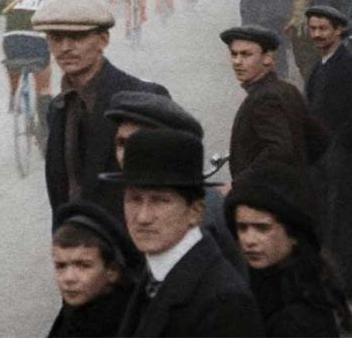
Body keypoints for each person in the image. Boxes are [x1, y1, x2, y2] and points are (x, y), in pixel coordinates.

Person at [100, 129, 264, 337]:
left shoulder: (224, 302)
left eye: (160, 200)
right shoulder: (154, 275)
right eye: (134, 199)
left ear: (195, 211)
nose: (142, 217)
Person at [31, 0, 168, 223]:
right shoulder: (58, 108)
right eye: (56, 38)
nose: (65, 48)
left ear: (103, 40)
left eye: (77, 37)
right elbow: (61, 191)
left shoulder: (145, 99)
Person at [104, 90, 246, 275]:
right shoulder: (127, 202)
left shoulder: (200, 214)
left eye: (139, 143)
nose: (127, 155)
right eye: (121, 143)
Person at [225, 163, 348, 337]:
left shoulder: (301, 313)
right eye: (242, 228)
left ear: (293, 235)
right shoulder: (255, 283)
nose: (249, 240)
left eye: (263, 228)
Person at [220, 25, 328, 180]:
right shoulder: (287, 89)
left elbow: (279, 151)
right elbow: (319, 140)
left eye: (246, 55)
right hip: (294, 194)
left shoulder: (264, 98)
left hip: (266, 199)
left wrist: (245, 183)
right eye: (234, 54)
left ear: (268, 58)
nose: (237, 62)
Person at [49, 200, 141, 337]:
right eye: (61, 266)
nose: (69, 278)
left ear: (112, 271)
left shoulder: (130, 322)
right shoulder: (72, 316)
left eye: (83, 266)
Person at [0, 0, 53, 149]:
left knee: (13, 63)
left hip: (12, 42)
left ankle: (14, 95)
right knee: (44, 85)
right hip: (37, 42)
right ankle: (44, 132)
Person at [305, 5, 352, 137]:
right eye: (313, 29)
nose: (316, 34)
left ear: (338, 30)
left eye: (323, 29)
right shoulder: (319, 65)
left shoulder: (347, 65)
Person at [283, 0, 320, 81]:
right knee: (300, 62)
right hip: (297, 32)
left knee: (309, 64)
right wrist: (291, 24)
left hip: (307, 33)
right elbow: (298, 12)